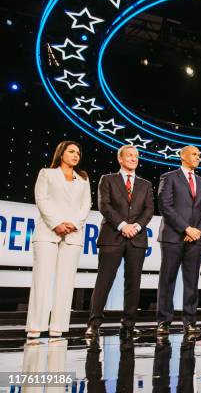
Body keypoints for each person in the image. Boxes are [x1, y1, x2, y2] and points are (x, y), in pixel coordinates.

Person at [85, 145, 154, 339]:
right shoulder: (107, 179)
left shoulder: (146, 184)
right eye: (130, 156)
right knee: (104, 280)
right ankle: (94, 323)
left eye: (136, 156)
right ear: (120, 160)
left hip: (137, 239)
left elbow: (149, 210)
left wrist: (136, 227)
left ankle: (129, 324)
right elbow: (104, 205)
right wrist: (123, 225)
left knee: (133, 282)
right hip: (112, 237)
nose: (134, 159)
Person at [26, 141, 92, 338]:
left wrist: (74, 224)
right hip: (48, 231)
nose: (75, 155)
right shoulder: (47, 173)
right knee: (42, 279)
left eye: (78, 153)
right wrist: (56, 223)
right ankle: (35, 325)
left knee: (65, 281)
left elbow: (86, 204)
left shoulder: (83, 178)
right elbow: (41, 199)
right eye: (71, 151)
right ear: (61, 153)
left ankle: (58, 326)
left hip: (73, 234)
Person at [156, 146, 201, 336]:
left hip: (195, 239)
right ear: (182, 156)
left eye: (199, 154)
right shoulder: (169, 177)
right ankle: (164, 321)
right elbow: (165, 206)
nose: (198, 157)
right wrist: (186, 228)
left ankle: (190, 321)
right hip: (173, 237)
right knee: (168, 279)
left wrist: (198, 231)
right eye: (195, 154)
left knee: (191, 281)